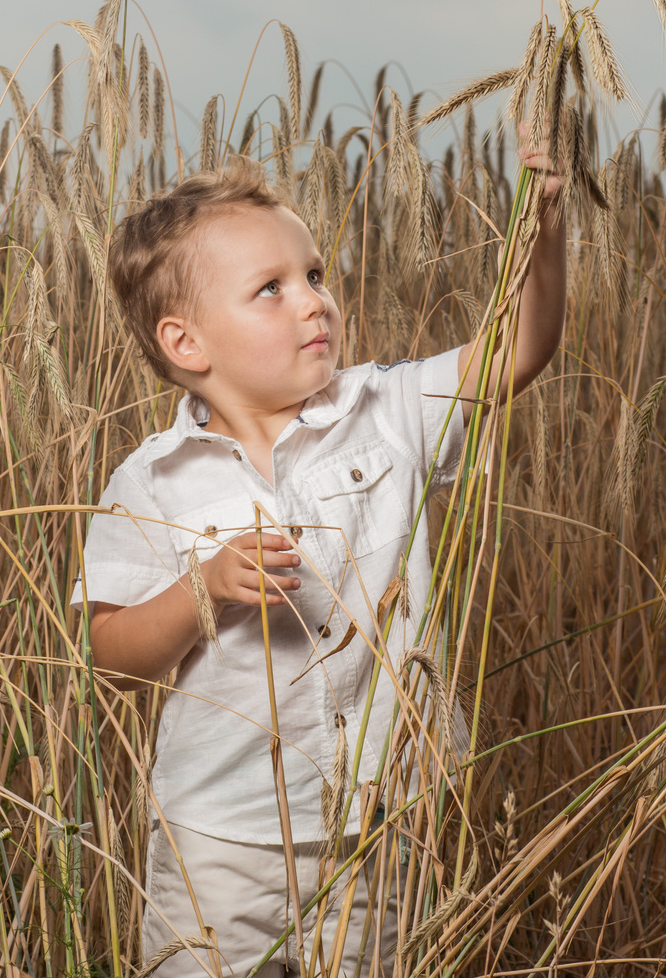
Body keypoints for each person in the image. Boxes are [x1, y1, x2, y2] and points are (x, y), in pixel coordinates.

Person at [71, 141, 564, 977]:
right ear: (187, 342)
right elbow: (108, 653)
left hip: (379, 824)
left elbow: (518, 348)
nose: (314, 302)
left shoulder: (387, 409)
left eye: (315, 274)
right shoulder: (151, 478)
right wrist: (204, 589)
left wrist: (542, 228)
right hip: (217, 838)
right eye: (272, 289)